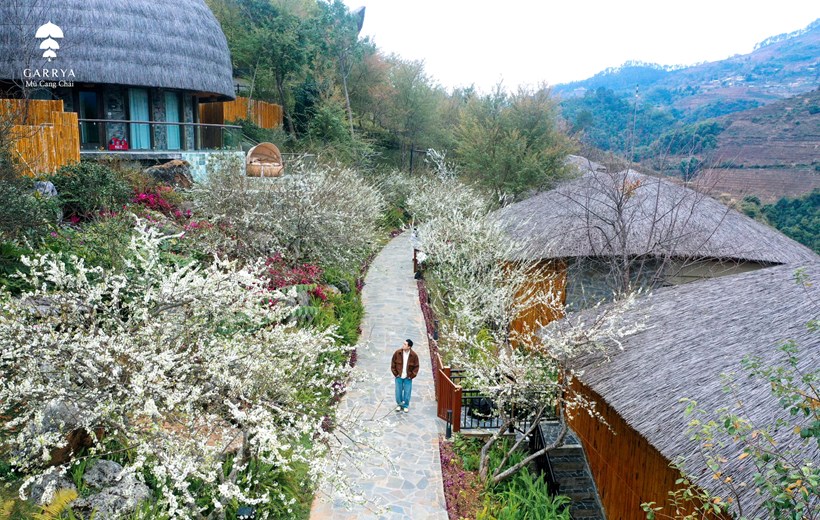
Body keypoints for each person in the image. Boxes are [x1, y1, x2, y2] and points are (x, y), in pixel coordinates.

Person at [391, 339, 419, 413]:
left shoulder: (414, 355)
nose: (403, 345)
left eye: (405, 344)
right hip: (399, 376)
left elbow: (416, 367)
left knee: (407, 392)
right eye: (403, 344)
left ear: (409, 346)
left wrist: (411, 376)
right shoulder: (397, 353)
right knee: (398, 392)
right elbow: (393, 363)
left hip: (408, 377)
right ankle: (399, 405)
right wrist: (395, 374)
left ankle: (405, 405)